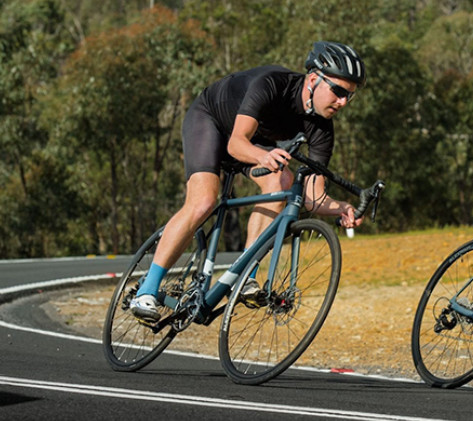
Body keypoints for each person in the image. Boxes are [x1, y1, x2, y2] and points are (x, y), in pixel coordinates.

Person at [130, 41, 367, 322]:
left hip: (251, 141)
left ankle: (245, 276)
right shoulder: (272, 84)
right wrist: (263, 156)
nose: (343, 102)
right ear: (314, 79)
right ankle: (146, 290)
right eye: (338, 91)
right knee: (204, 201)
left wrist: (341, 207)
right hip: (212, 122)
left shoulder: (322, 129)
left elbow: (313, 197)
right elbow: (236, 144)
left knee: (281, 182)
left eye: (349, 96)